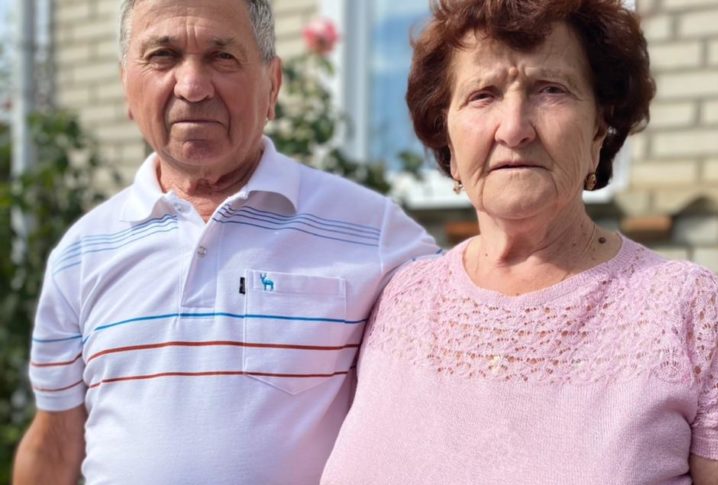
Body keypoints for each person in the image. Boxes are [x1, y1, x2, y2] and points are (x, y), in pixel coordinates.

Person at [12, 0, 437, 483]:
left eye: (222, 56)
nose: (192, 86)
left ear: (272, 85)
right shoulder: (80, 254)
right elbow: (57, 439)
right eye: (163, 56)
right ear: (126, 87)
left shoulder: (372, 232)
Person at [321, 0, 718, 483]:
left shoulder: (687, 309)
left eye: (551, 90)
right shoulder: (396, 299)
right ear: (448, 140)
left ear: (599, 129)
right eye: (482, 95)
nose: (514, 129)